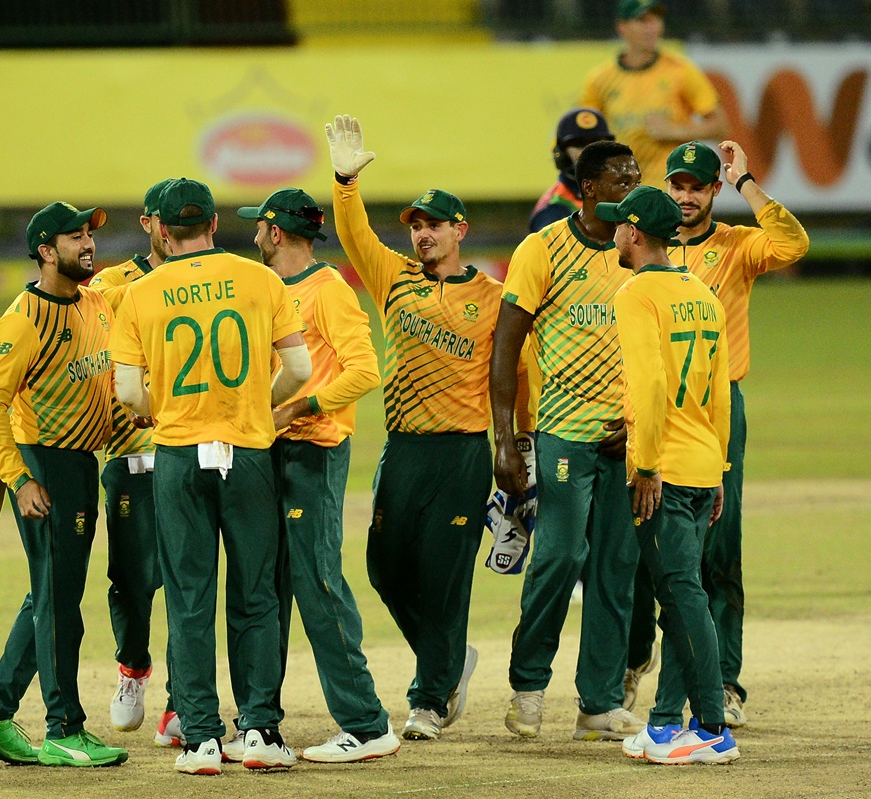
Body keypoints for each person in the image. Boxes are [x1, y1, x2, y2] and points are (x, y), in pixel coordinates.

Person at [110, 178, 311, 775]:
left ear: (162, 232)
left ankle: (200, 738)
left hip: (177, 454)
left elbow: (126, 390)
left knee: (189, 597)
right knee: (255, 595)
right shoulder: (262, 279)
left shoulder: (141, 294)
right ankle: (261, 730)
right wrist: (256, 403)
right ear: (215, 226)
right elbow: (299, 367)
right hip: (247, 451)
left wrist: (165, 409)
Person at [327, 114, 505, 741]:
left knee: (444, 575)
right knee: (384, 567)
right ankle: (450, 661)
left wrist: (519, 453)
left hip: (462, 453)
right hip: (403, 450)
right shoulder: (393, 277)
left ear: (461, 230)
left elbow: (512, 378)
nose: (424, 235)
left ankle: (429, 697)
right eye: (417, 226)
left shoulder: (493, 297)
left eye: (435, 225)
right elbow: (354, 237)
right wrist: (346, 182)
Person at [623, 140, 809, 724]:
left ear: (713, 191)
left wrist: (748, 178)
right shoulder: (647, 251)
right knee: (642, 550)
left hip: (716, 408)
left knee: (718, 550)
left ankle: (724, 683)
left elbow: (794, 244)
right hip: (653, 406)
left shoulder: (734, 246)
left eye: (697, 187)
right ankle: (640, 660)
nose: (684, 196)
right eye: (676, 185)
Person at [0, 201, 128, 768]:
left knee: (49, 595)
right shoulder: (23, 319)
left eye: (89, 235)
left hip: (78, 462)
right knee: (59, 603)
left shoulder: (96, 302)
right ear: (45, 251)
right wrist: (19, 478)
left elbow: (100, 379)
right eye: (73, 237)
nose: (87, 244)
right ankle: (63, 728)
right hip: (44, 463)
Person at [236, 187, 399, 763]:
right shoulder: (268, 292)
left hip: (313, 451)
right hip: (268, 450)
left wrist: (296, 409)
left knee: (316, 581)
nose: (254, 234)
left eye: (259, 226)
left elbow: (364, 372)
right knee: (263, 585)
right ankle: (259, 724)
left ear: (276, 234)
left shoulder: (329, 292)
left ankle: (367, 723)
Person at [491, 141, 645, 742]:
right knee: (558, 558)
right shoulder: (544, 248)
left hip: (626, 439)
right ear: (586, 190)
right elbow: (506, 342)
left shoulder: (643, 252)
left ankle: (600, 703)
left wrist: (638, 423)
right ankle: (528, 688)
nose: (631, 188)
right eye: (618, 180)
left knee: (616, 566)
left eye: (635, 177)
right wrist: (505, 438)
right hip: (563, 433)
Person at [602, 185, 741, 765]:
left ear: (635, 233)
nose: (613, 233)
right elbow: (720, 387)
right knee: (682, 597)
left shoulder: (636, 294)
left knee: (682, 597)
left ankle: (709, 726)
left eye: (618, 226)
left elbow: (651, 385)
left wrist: (647, 464)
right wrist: (721, 468)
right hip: (703, 459)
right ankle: (664, 724)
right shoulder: (701, 292)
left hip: (667, 466)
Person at [86, 179, 182, 746]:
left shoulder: (211, 280)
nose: (169, 230)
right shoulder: (112, 284)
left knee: (188, 580)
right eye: (160, 220)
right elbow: (88, 353)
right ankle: (133, 668)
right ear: (147, 224)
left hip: (193, 450)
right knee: (129, 579)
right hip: (129, 454)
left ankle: (183, 702)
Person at [580, 0, 726, 188]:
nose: (652, 28)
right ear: (622, 27)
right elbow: (584, 135)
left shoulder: (680, 71)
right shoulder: (599, 80)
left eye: (656, 20)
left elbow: (720, 126)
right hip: (621, 191)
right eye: (642, 20)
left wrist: (675, 130)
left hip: (669, 190)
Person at [530, 107, 615, 233]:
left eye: (598, 143)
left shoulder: (620, 195)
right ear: (561, 154)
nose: (590, 151)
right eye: (580, 144)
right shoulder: (554, 209)